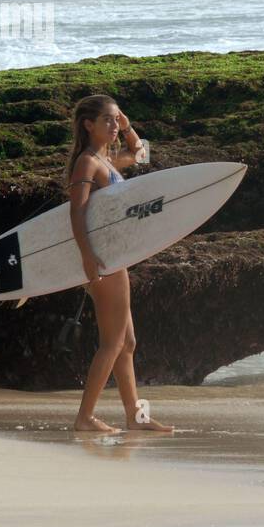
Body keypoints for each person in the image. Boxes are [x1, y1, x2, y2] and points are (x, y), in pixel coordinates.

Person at [64, 95, 172, 434]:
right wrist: (86, 255)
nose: (114, 125)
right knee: (112, 344)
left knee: (127, 344)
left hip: (111, 258)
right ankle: (84, 418)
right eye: (108, 120)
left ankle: (135, 418)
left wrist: (128, 127)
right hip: (102, 259)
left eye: (116, 119)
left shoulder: (105, 160)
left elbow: (141, 155)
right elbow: (77, 212)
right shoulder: (87, 163)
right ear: (88, 125)